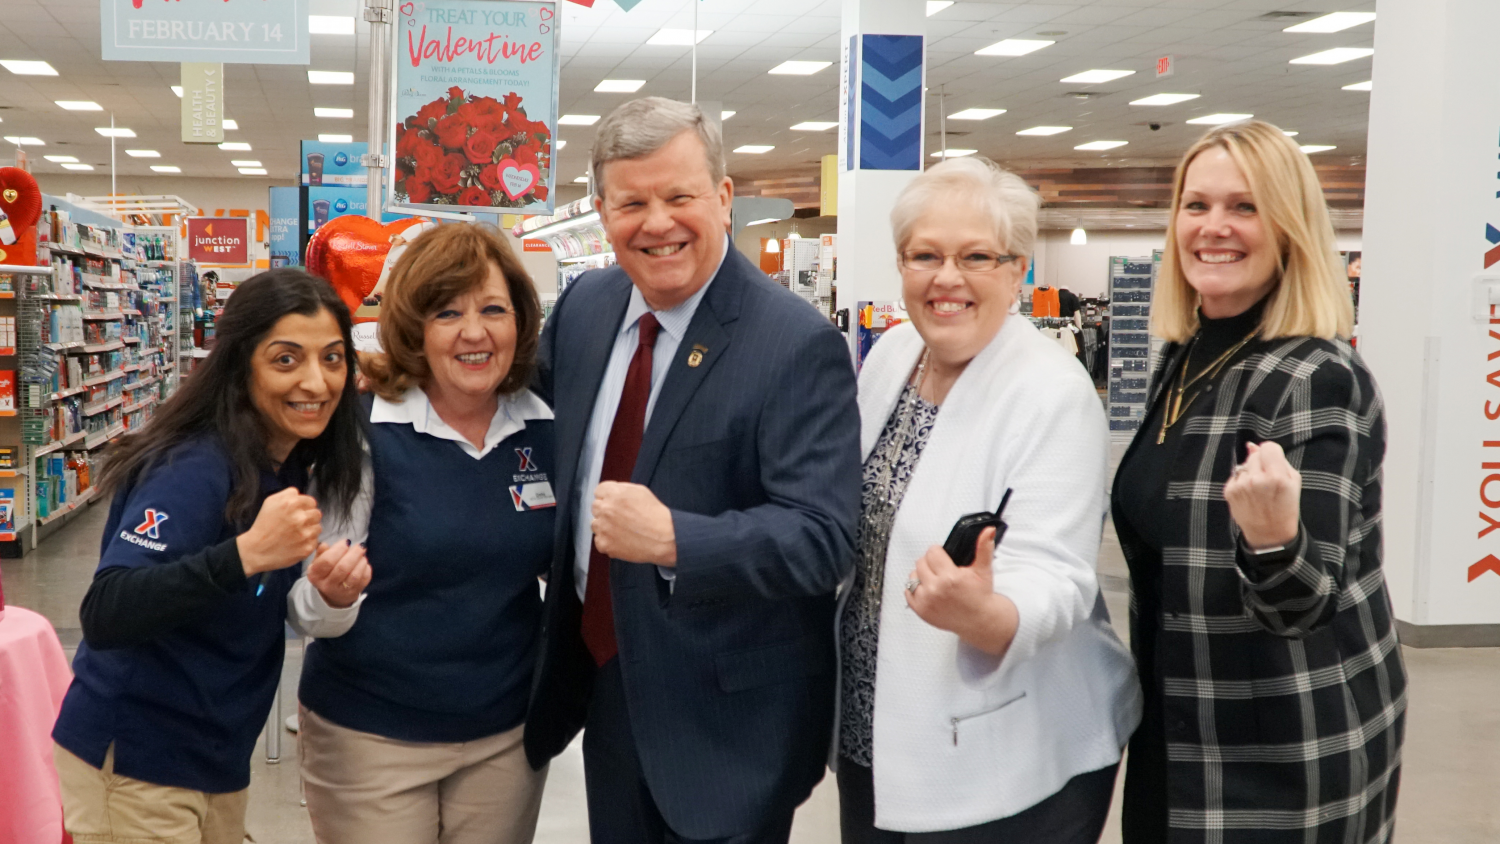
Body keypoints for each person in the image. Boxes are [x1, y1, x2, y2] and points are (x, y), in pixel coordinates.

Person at [524, 96, 861, 844]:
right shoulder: (587, 306)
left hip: (727, 720)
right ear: (603, 211)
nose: (657, 222)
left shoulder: (794, 344)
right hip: (608, 684)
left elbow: (823, 537)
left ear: (724, 196)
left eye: (679, 196)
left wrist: (677, 537)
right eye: (632, 202)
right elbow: (519, 410)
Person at [1112, 120, 1406, 843]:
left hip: (1282, 750)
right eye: (1197, 205)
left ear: (1289, 228)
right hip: (1180, 726)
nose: (1215, 228)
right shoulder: (1185, 357)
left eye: (1244, 207)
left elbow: (1304, 603)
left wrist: (1275, 537)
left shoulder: (1316, 376)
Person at [836, 156, 1140, 842]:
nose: (947, 278)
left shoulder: (1051, 394)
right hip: (876, 728)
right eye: (925, 255)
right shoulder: (891, 355)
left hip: (1007, 754)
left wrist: (989, 613)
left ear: (1016, 270)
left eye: (976, 256)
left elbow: (1056, 578)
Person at [51, 269, 369, 844]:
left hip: (212, 760)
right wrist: (244, 555)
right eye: (286, 359)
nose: (317, 382)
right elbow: (106, 610)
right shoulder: (196, 468)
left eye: (334, 358)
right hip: (139, 763)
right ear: (239, 364)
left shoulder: (287, 462)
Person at [297, 222, 552, 844]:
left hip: (506, 734)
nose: (475, 332)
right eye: (447, 312)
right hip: (371, 735)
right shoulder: (363, 427)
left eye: (494, 309)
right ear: (414, 327)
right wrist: (331, 596)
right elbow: (303, 608)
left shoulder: (543, 423)